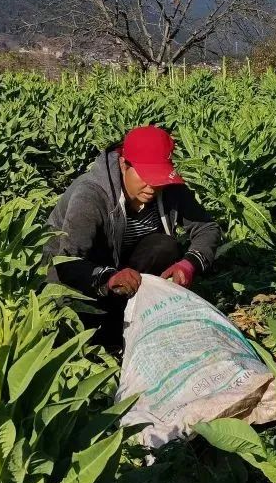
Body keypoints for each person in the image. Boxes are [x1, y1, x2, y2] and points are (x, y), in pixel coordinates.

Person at [45, 125, 220, 346]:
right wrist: (109, 278)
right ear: (123, 163)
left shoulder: (168, 187)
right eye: (146, 176)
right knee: (97, 335)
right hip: (82, 279)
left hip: (130, 267)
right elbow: (68, 261)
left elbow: (207, 227)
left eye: (158, 177)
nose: (152, 186)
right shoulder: (91, 195)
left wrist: (190, 264)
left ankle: (136, 313)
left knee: (164, 246)